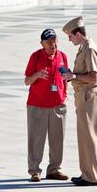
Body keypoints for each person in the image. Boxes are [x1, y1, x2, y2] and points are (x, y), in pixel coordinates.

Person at [61, 17, 97, 186]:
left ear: (78, 34)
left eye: (70, 36)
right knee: (84, 136)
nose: (69, 39)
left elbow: (94, 77)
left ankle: (91, 177)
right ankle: (86, 173)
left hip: (88, 95)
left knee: (89, 136)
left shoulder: (90, 49)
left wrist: (74, 76)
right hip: (83, 95)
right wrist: (73, 75)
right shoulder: (83, 48)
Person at [24, 28, 69, 182]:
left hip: (58, 105)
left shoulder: (62, 56)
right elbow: (26, 81)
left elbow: (65, 78)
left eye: (55, 40)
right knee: (36, 139)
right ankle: (35, 171)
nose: (52, 44)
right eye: (49, 42)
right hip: (38, 105)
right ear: (42, 43)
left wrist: (65, 95)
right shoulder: (35, 57)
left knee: (58, 139)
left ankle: (54, 170)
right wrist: (37, 75)